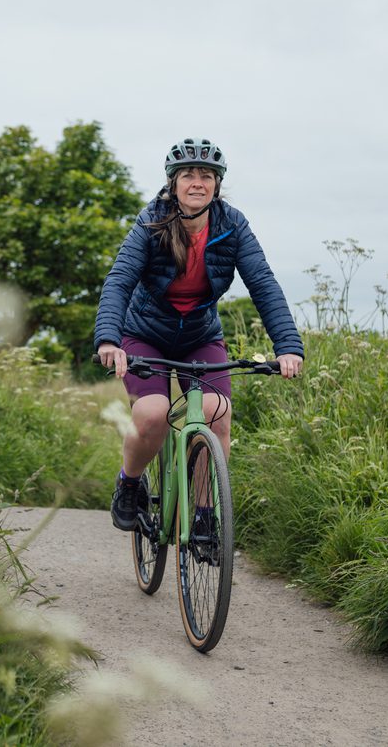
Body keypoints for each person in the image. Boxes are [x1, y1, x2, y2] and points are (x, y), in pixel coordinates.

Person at [94, 137, 304, 535]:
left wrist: (288, 347)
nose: (197, 182)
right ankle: (130, 482)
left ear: (216, 184)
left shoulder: (232, 224)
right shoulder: (151, 220)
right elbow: (120, 280)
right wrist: (108, 339)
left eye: (206, 175)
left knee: (216, 413)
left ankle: (205, 514)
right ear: (173, 183)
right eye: (188, 174)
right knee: (153, 415)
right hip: (144, 334)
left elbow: (263, 284)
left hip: (199, 335)